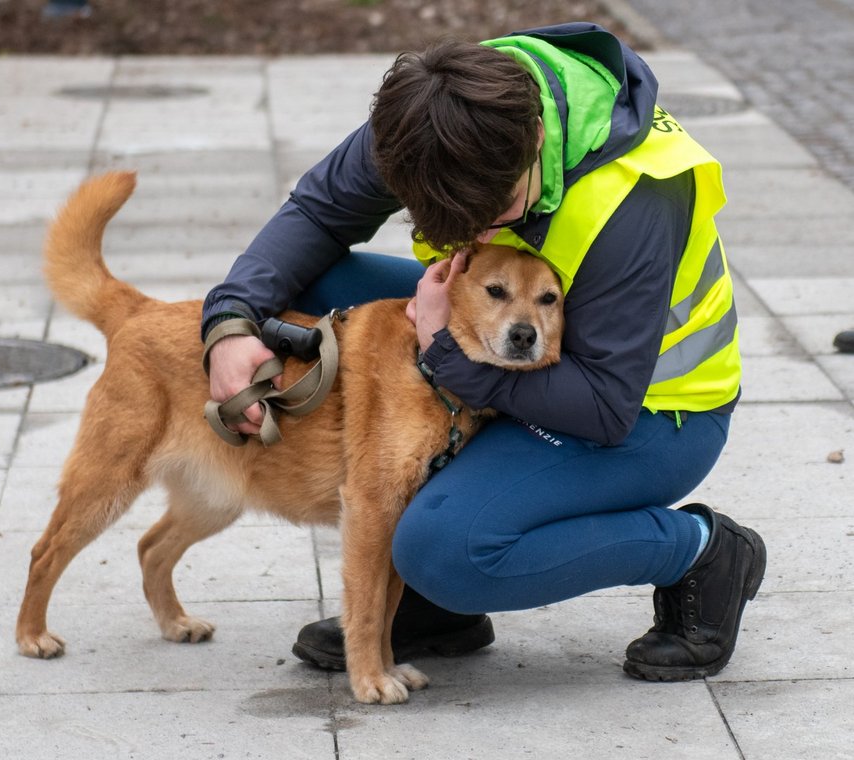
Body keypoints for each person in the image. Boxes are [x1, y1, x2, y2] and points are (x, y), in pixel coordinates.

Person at [201, 22, 767, 683]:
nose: (469, 235)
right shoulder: (440, 115)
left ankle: (699, 552)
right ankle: (435, 610)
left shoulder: (633, 198)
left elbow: (603, 406)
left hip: (650, 415)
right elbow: (320, 213)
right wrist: (230, 323)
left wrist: (446, 352)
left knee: (450, 550)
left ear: (531, 146)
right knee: (302, 290)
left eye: (491, 215)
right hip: (504, 352)